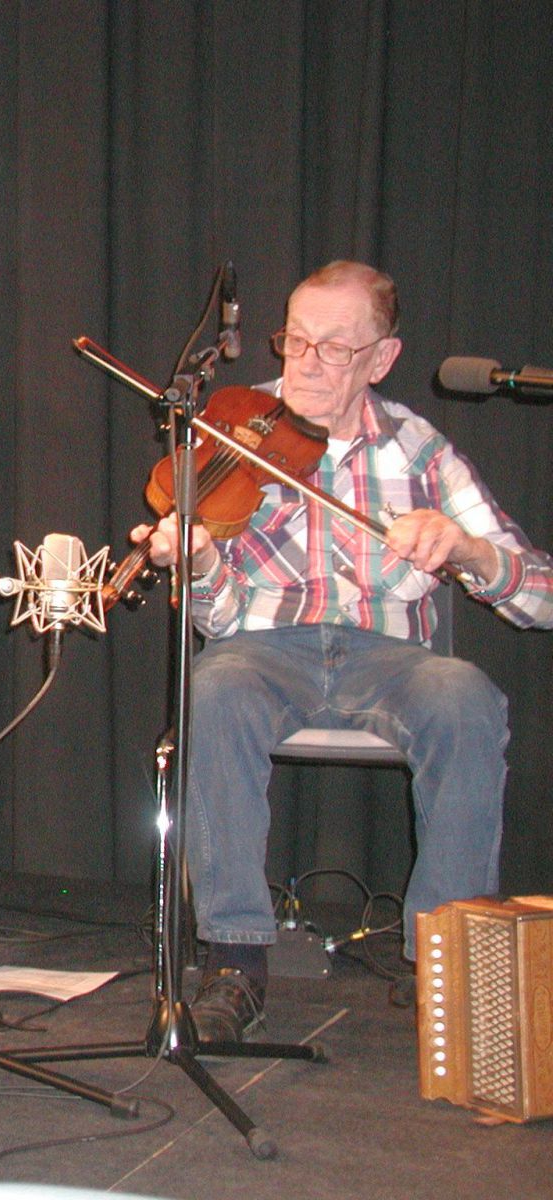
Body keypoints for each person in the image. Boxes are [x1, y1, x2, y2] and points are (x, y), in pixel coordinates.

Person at [132, 260, 553, 1039]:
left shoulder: (420, 450)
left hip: (389, 657)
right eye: (295, 341)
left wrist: (468, 549)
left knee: (466, 697)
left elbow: (540, 598)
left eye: (333, 347)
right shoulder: (232, 428)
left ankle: (444, 964)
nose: (305, 364)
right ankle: (235, 958)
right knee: (212, 688)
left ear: (381, 359)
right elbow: (218, 620)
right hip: (265, 648)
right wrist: (200, 564)